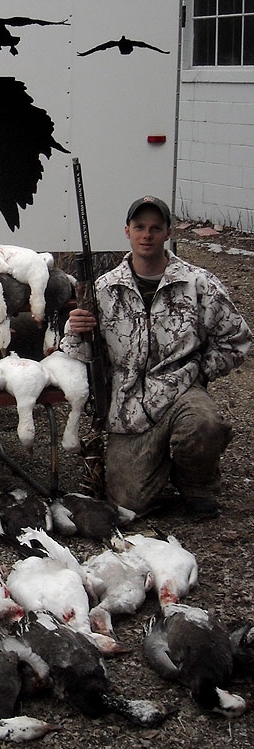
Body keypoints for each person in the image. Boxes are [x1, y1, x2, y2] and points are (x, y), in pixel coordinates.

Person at [61, 196, 252, 519]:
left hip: (181, 390)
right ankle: (163, 461)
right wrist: (75, 328)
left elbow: (237, 339)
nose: (147, 235)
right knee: (128, 504)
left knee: (204, 424)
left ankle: (197, 484)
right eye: (140, 227)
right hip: (129, 402)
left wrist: (199, 371)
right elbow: (80, 353)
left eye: (155, 228)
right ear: (127, 232)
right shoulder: (105, 289)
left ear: (168, 232)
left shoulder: (197, 283)